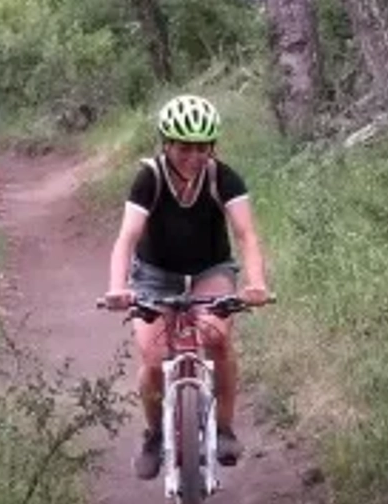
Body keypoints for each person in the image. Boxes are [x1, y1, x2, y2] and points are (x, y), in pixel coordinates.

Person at [102, 94, 270, 479]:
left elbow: (245, 235)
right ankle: (153, 434)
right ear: (166, 144)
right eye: (183, 147)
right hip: (154, 273)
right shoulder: (150, 178)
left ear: (212, 146)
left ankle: (224, 428)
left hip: (209, 269)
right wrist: (117, 287)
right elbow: (127, 238)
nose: (192, 156)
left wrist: (257, 282)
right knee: (153, 356)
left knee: (216, 337)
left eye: (201, 147)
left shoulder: (223, 177)